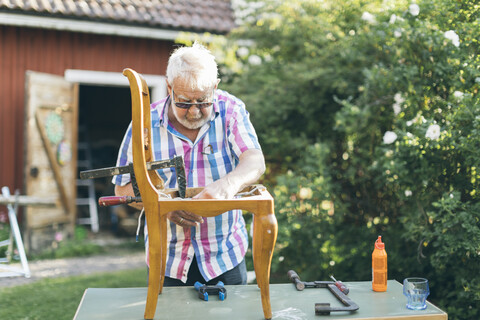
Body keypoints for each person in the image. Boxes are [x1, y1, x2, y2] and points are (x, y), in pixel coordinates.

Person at [112, 42, 265, 286]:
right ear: (169, 87)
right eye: (184, 103)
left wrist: (228, 184)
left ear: (215, 87)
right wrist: (163, 206)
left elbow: (255, 161)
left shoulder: (231, 110)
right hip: (169, 260)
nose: (194, 112)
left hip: (225, 256)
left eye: (203, 102)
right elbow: (122, 189)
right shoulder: (144, 125)